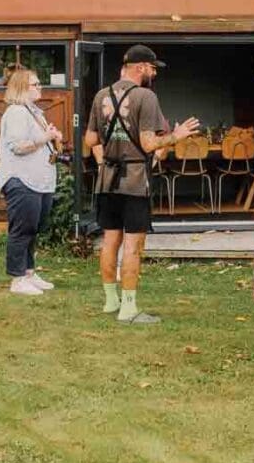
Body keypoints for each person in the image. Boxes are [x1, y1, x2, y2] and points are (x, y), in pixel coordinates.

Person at [84, 44, 200, 326]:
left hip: (107, 182)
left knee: (110, 241)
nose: (154, 73)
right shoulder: (145, 96)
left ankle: (111, 301)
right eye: (152, 68)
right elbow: (150, 144)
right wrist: (177, 135)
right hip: (134, 181)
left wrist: (109, 152)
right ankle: (129, 309)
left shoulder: (102, 95)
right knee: (133, 245)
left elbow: (90, 140)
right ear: (139, 68)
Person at [0, 66, 63, 296]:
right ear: (23, 87)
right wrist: (45, 137)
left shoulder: (33, 111)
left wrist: (52, 137)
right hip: (21, 179)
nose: (40, 87)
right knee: (22, 230)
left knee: (32, 229)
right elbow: (18, 146)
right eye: (36, 84)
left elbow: (38, 140)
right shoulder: (16, 112)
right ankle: (17, 279)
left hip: (39, 180)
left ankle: (28, 273)